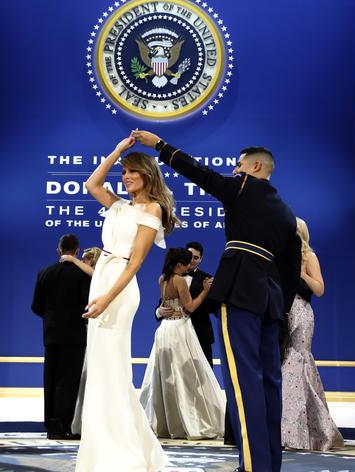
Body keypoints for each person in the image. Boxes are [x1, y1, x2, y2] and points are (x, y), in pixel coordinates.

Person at [133, 130, 301, 472]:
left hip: (240, 289)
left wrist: (160, 146)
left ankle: (253, 466)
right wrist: (281, 311)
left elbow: (200, 173)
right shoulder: (286, 212)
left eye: (239, 165)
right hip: (271, 299)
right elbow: (291, 266)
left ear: (254, 167)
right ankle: (269, 465)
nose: (235, 170)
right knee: (270, 381)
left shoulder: (242, 187)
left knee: (243, 381)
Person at [75, 134, 178, 472]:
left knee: (112, 367)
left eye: (131, 171)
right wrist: (118, 150)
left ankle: (121, 448)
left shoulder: (151, 209)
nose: (125, 176)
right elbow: (92, 182)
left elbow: (135, 263)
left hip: (118, 288)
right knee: (100, 367)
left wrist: (106, 297)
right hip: (102, 279)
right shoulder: (120, 205)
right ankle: (104, 443)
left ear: (147, 175)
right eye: (123, 172)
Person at [139, 247, 225, 440]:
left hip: (165, 330)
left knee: (166, 375)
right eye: (187, 262)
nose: (189, 266)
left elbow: (167, 303)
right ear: (180, 263)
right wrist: (204, 291)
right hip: (180, 330)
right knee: (187, 376)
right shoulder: (179, 280)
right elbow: (191, 307)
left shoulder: (163, 279)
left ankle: (168, 422)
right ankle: (189, 421)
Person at [281, 217, 343, 451]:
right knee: (283, 365)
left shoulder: (309, 256)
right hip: (281, 310)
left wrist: (300, 273)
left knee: (297, 363)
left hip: (301, 312)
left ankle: (299, 433)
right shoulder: (280, 254)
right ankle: (286, 431)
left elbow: (319, 288)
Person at [31, 234, 91, 440]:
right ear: (77, 251)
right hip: (75, 334)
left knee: (51, 379)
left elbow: (36, 306)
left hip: (51, 334)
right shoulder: (83, 275)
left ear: (58, 250)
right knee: (69, 381)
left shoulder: (44, 273)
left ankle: (51, 425)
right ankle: (65, 425)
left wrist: (51, 319)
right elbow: (87, 303)